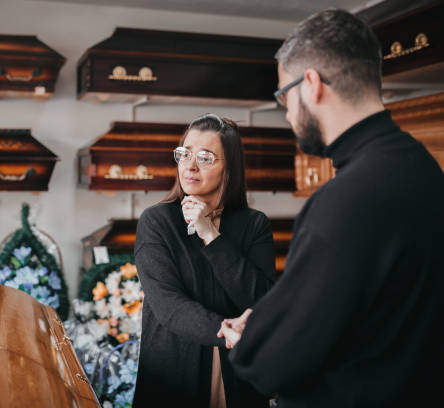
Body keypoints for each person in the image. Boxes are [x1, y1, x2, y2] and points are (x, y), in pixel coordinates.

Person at [217, 8, 444, 407]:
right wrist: (275, 318)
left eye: (282, 96)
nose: (286, 113)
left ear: (311, 85)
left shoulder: (344, 199)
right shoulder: (423, 167)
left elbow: (271, 364)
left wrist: (251, 339)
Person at [132, 113, 276, 408]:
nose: (190, 165)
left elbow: (260, 298)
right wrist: (225, 331)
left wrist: (211, 235)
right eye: (184, 154)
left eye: (206, 157)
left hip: (240, 376)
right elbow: (168, 305)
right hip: (174, 374)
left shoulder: (254, 225)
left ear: (229, 168)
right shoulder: (157, 222)